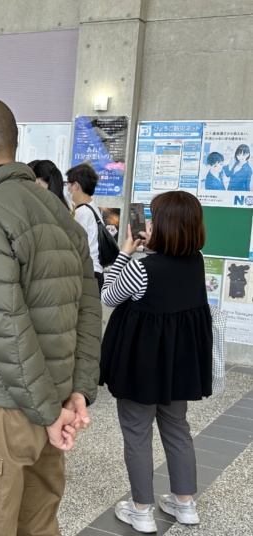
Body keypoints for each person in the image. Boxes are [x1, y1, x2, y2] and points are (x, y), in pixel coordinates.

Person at [0, 98, 102, 536]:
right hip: (49, 400)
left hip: (1, 410)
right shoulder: (58, 211)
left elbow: (4, 326)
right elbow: (89, 311)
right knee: (37, 525)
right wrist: (77, 395)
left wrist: (52, 411)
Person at [99, 191, 211, 534]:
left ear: (163, 225)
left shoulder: (141, 268)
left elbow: (108, 295)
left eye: (153, 217)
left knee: (137, 433)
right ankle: (184, 504)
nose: (148, 222)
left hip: (141, 367)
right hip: (180, 366)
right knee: (178, 429)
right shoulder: (197, 260)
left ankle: (142, 510)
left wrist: (125, 255)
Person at [67, 163, 106, 290]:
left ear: (76, 185)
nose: (67, 189)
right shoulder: (92, 208)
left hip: (87, 273)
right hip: (95, 272)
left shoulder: (82, 212)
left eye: (68, 184)